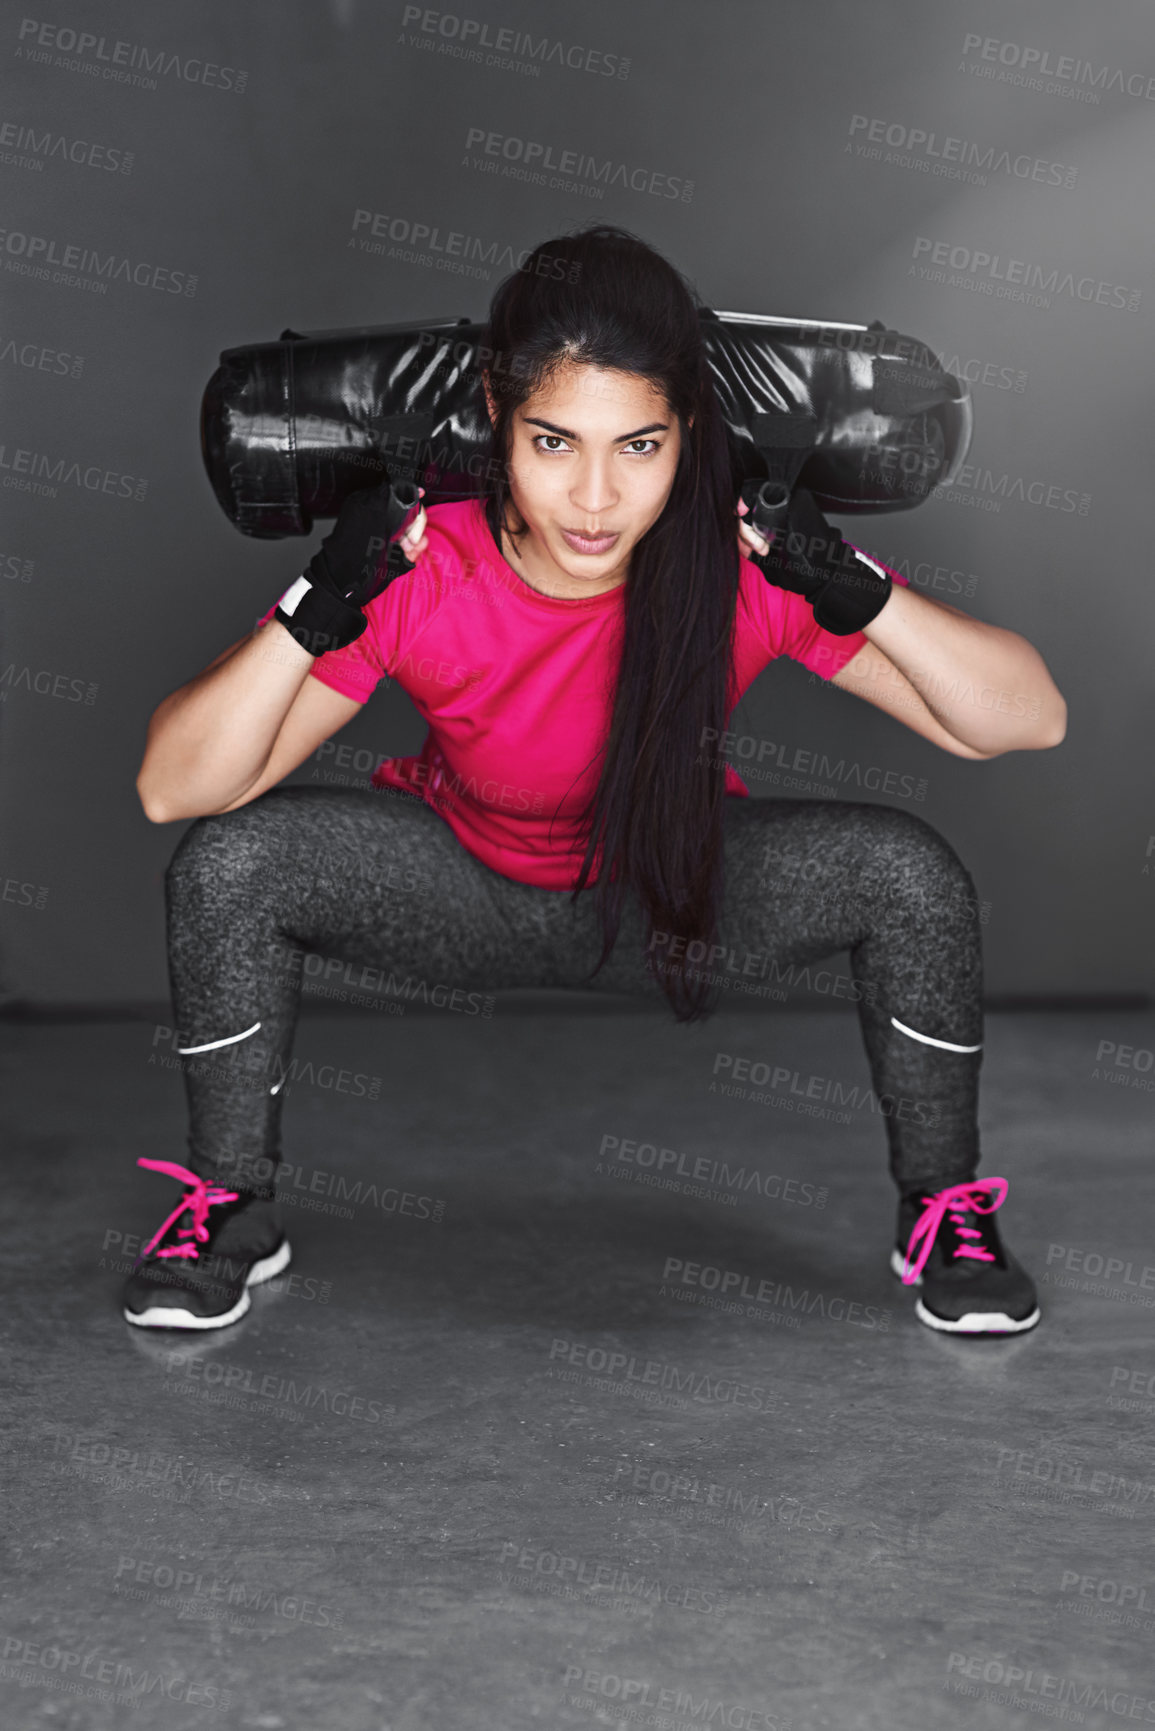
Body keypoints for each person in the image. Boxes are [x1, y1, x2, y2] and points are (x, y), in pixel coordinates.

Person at [127, 223, 1066, 1338]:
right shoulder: (426, 563)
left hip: (671, 901)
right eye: (554, 441)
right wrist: (321, 598)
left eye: (640, 446)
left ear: (688, 436)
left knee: (910, 876)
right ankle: (228, 1206)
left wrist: (847, 581)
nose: (594, 498)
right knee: (234, 863)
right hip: (464, 891)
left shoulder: (741, 563)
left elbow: (1017, 720)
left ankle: (945, 1208)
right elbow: (179, 788)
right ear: (495, 415)